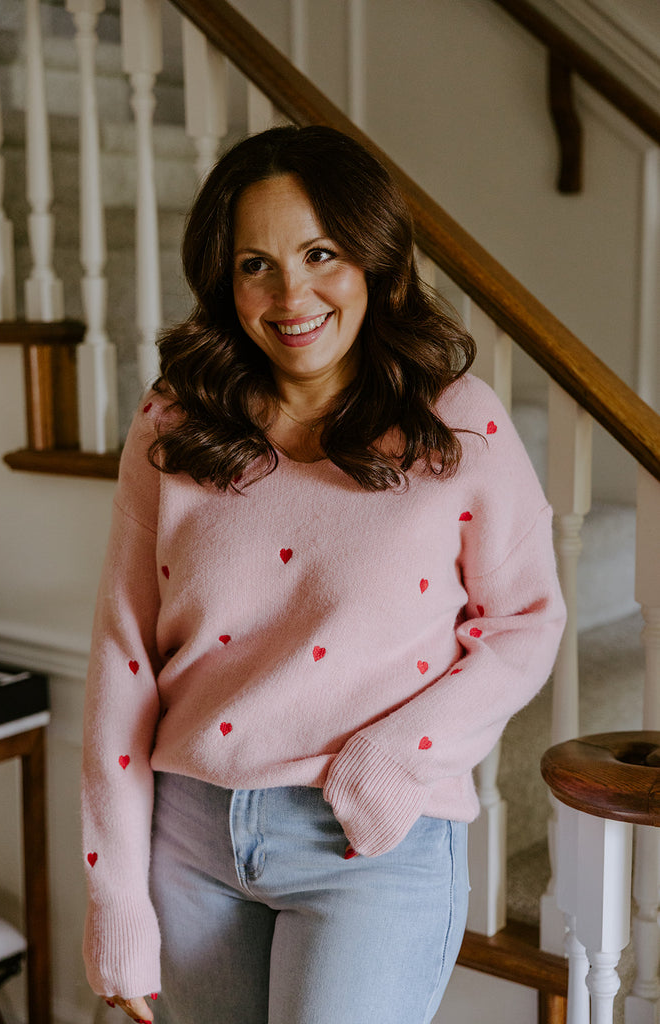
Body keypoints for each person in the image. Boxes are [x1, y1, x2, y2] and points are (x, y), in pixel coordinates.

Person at [81, 124, 566, 1024]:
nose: (289, 293)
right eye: (254, 264)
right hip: (187, 839)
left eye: (320, 254)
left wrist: (394, 756)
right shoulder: (172, 424)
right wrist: (116, 899)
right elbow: (123, 660)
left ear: (375, 265)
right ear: (225, 282)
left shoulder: (455, 424)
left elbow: (525, 623)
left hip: (365, 840)